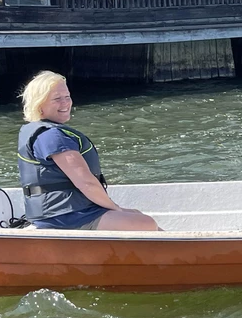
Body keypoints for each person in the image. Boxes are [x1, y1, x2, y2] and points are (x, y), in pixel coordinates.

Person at [17, 71, 159, 231]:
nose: (65, 103)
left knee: (136, 214)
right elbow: (86, 182)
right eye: (57, 99)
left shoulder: (45, 132)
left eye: (67, 97)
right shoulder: (52, 136)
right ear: (39, 105)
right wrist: (115, 208)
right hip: (65, 217)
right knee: (146, 224)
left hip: (71, 212)